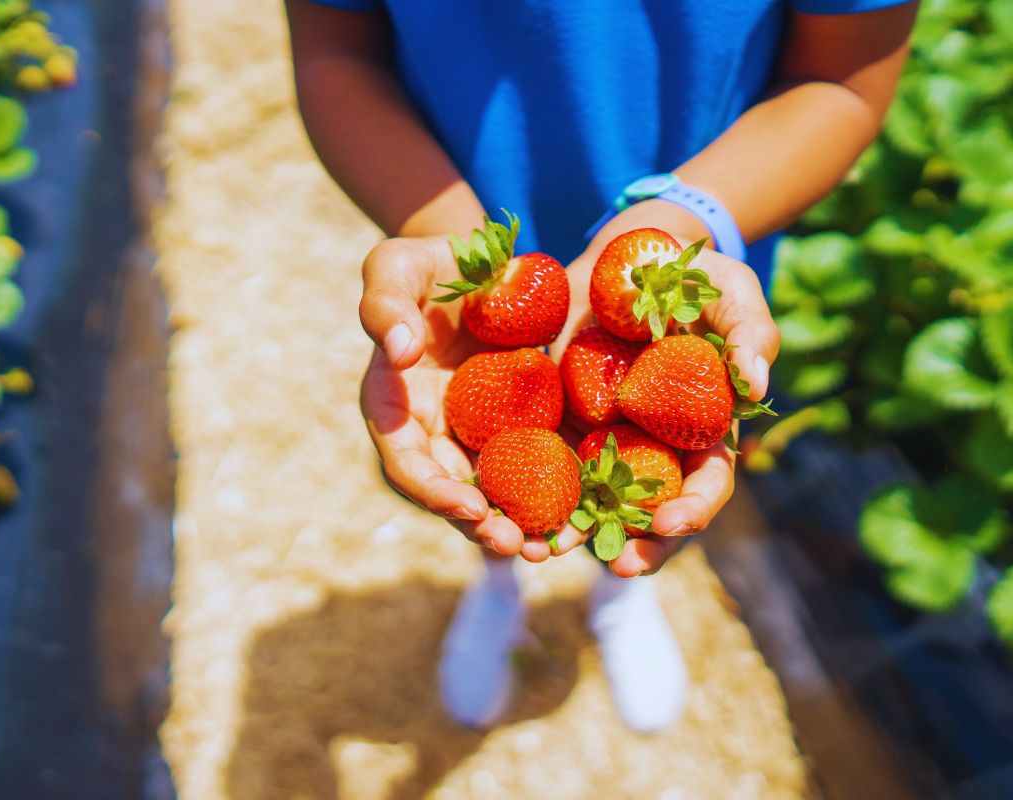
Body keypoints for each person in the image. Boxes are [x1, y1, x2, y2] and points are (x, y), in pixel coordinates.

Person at [287, 0, 918, 732]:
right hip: (472, 264)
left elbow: (844, 81)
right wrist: (451, 239)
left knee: (663, 486)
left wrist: (671, 222)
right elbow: (337, 54)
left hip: (682, 266)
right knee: (477, 484)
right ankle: (498, 584)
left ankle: (618, 593)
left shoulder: (673, 326)